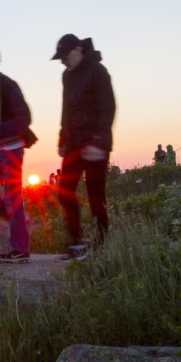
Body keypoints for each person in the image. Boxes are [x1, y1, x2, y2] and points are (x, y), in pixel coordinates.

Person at [51, 33, 116, 260]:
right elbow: (66, 109)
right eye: (60, 59)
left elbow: (108, 106)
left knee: (95, 194)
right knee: (64, 191)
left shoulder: (98, 71)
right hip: (74, 143)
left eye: (65, 56)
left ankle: (101, 243)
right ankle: (76, 242)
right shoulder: (66, 76)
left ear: (78, 49)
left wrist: (98, 142)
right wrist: (62, 138)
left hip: (96, 142)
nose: (63, 62)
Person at [0, 39, 37, 263]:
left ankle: (20, 250)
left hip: (12, 147)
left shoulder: (5, 83)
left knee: (13, 197)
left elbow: (25, 118)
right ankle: (20, 222)